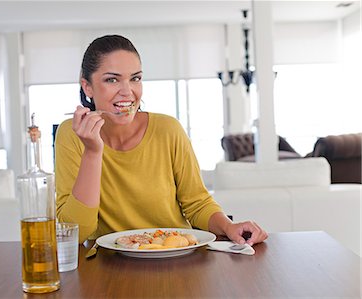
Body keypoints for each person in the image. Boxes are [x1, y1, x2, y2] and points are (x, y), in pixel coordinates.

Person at [55, 34, 267, 246]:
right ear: (87, 86)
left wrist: (229, 227)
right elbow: (76, 233)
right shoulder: (72, 135)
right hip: (108, 265)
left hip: (175, 258)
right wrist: (92, 152)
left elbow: (197, 203)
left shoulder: (168, 130)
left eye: (135, 78)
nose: (127, 92)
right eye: (112, 79)